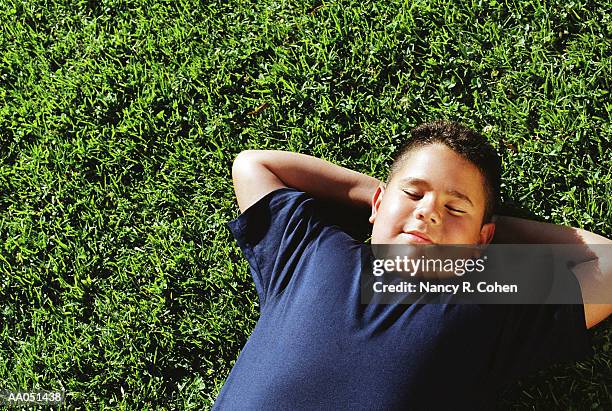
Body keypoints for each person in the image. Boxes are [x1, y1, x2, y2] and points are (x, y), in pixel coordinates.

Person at [213, 120, 611, 409]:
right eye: (414, 193)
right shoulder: (314, 252)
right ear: (378, 204)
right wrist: (379, 196)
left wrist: (482, 232)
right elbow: (255, 165)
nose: (429, 212)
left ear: (483, 243)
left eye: (454, 207)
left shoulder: (485, 300)